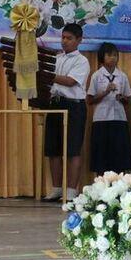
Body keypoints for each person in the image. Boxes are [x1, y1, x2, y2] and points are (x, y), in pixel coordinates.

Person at [43, 24, 90, 201]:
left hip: (74, 106)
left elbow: (70, 81)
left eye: (69, 38)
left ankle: (71, 190)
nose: (64, 41)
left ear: (79, 40)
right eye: (63, 37)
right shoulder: (57, 58)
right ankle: (56, 189)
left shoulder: (81, 61)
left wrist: (47, 75)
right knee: (53, 149)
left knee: (72, 149)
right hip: (55, 104)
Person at [87, 43, 131, 175]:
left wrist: (122, 98)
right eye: (109, 55)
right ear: (102, 57)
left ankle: (119, 184)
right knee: (101, 157)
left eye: (115, 55)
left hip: (119, 119)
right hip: (101, 120)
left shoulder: (122, 76)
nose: (113, 58)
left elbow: (129, 100)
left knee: (119, 156)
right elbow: (89, 100)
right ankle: (101, 184)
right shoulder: (97, 75)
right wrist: (105, 92)